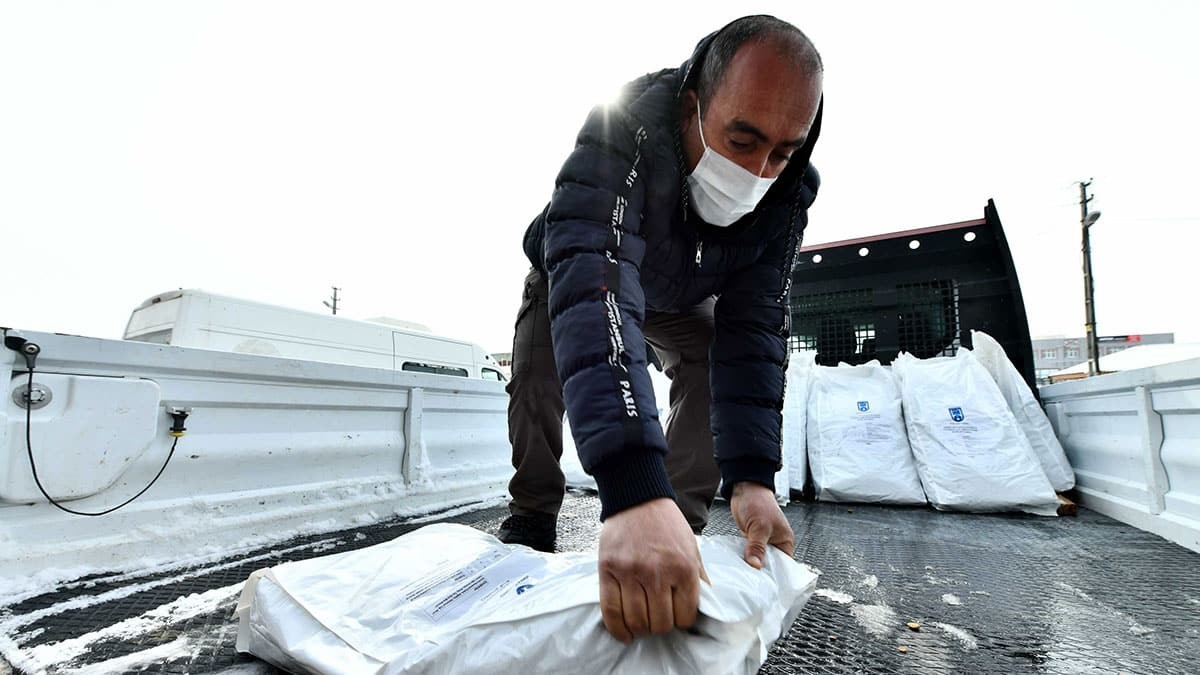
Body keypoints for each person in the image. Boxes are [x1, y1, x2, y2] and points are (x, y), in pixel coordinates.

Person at [499, 14, 823, 642]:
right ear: (695, 104)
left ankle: (675, 524)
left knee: (707, 357)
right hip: (579, 268)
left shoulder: (788, 194)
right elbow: (595, 279)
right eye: (741, 139)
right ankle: (533, 514)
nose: (759, 172)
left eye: (781, 152)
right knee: (541, 373)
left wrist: (753, 478)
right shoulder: (626, 126)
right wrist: (629, 485)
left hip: (679, 294)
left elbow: (755, 328)